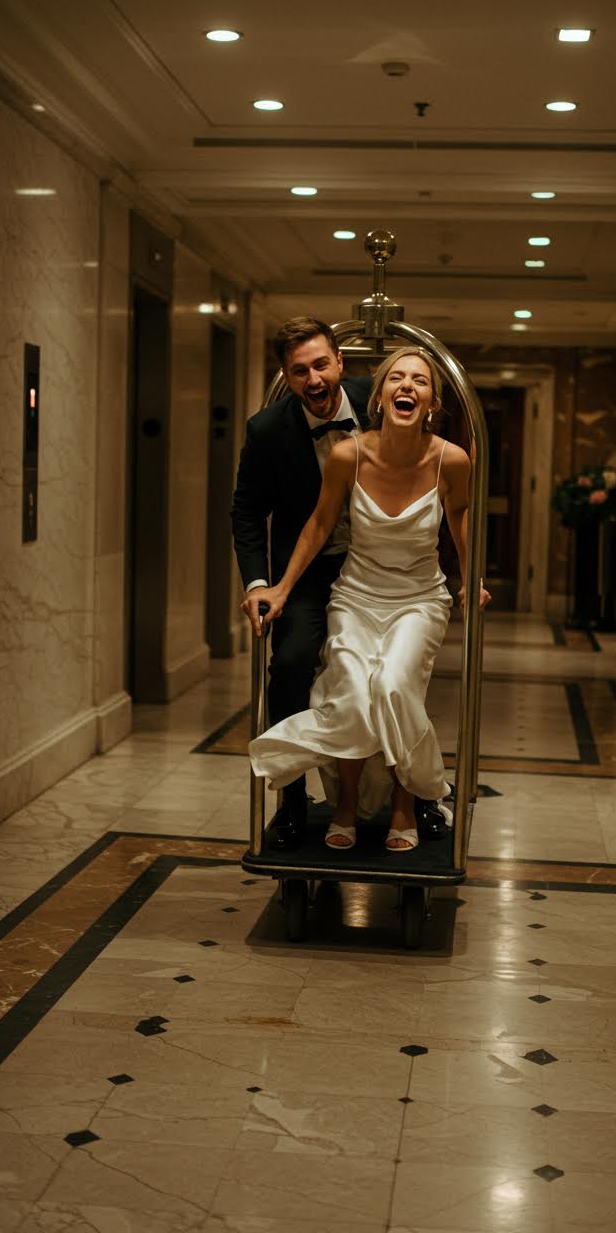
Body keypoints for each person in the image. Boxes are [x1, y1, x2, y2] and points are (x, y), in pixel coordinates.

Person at [244, 346, 490, 853]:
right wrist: (281, 587)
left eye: (419, 381)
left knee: (398, 687)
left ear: (432, 400)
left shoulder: (453, 459)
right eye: (396, 378)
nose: (407, 387)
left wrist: (471, 579)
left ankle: (408, 803)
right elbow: (318, 524)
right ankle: (346, 805)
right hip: (356, 594)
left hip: (419, 598)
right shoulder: (348, 454)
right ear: (378, 396)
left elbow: (461, 523)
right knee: (354, 692)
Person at [231, 317, 371, 850]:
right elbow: (247, 511)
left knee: (394, 671)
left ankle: (417, 796)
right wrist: (259, 583)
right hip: (306, 572)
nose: (313, 380)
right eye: (298, 371)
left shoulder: (381, 402)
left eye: (320, 365)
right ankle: (291, 798)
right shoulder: (267, 429)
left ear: (340, 363)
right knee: (289, 664)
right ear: (286, 377)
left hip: (375, 564)